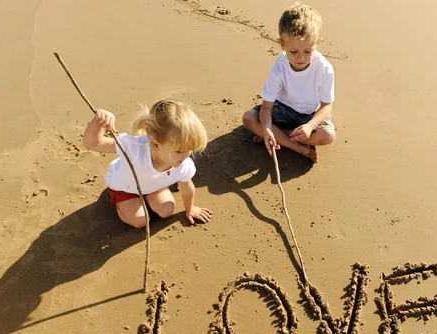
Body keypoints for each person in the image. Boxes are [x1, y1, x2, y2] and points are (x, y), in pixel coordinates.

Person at [83, 99, 212, 228]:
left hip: (154, 186)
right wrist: (99, 122)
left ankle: (150, 194)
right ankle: (119, 202)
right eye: (179, 151)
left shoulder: (182, 163)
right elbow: (93, 143)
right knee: (140, 221)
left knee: (167, 210)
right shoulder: (133, 148)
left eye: (190, 149)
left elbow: (187, 187)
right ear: (155, 145)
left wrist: (190, 208)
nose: (185, 156)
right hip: (125, 187)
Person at [242, 3, 335, 163]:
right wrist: (266, 128)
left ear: (318, 43)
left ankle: (279, 135)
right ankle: (297, 147)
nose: (301, 58)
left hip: (309, 114)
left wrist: (310, 126)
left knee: (327, 136)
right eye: (293, 52)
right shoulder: (279, 67)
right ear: (282, 44)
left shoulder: (324, 68)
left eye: (308, 51)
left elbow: (327, 106)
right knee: (249, 118)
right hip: (283, 108)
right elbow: (266, 107)